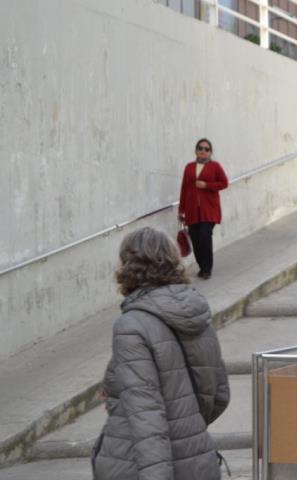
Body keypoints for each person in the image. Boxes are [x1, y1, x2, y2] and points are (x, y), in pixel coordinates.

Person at [92, 227, 230, 480]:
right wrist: (185, 426)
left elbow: (146, 417)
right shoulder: (197, 313)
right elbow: (219, 394)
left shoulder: (131, 325)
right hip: (198, 459)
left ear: (127, 266)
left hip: (139, 465)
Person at [178, 138, 229, 280]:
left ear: (210, 152)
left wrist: (206, 185)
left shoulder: (215, 166)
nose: (203, 151)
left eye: (206, 149)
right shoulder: (189, 167)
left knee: (204, 236)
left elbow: (224, 183)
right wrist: (181, 210)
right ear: (196, 150)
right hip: (192, 210)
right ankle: (202, 266)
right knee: (195, 238)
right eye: (200, 148)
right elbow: (184, 189)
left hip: (209, 210)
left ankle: (207, 269)